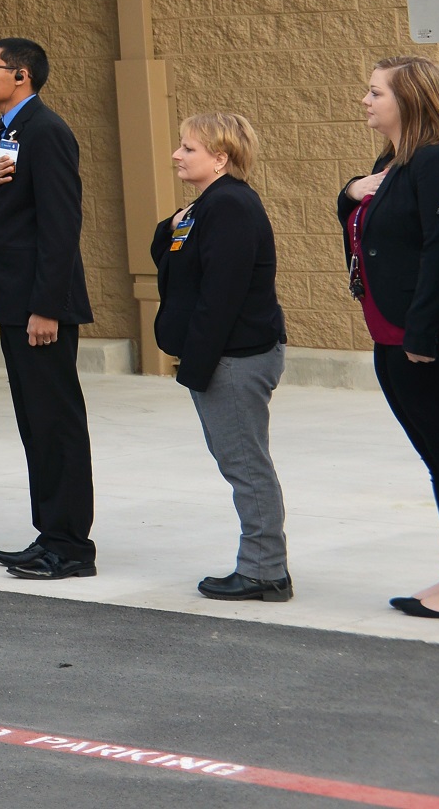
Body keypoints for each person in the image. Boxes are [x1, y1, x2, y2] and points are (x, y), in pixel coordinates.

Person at [0, 35, 95, 580]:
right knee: (34, 423)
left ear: (20, 76)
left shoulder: (46, 131)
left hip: (40, 307)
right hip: (14, 302)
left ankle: (71, 547)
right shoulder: (6, 131)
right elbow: (6, 206)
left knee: (56, 422)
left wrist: (47, 306)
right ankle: (49, 532)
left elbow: (61, 222)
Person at [159, 112, 289, 603]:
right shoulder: (207, 205)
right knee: (239, 459)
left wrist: (194, 364)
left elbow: (221, 295)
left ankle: (264, 571)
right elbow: (173, 253)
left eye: (188, 148)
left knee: (245, 463)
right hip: (224, 354)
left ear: (221, 157)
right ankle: (262, 564)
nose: (177, 154)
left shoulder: (230, 206)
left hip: (235, 357)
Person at [340, 55, 439, 620]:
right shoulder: (393, 163)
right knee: (438, 459)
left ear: (408, 100)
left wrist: (424, 330)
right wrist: (348, 192)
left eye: (375, 92)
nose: (366, 100)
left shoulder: (436, 162)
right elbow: (367, 219)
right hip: (390, 337)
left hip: (422, 341)